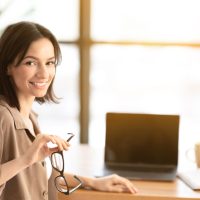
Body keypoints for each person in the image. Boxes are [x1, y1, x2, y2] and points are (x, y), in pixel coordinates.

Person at [0, 21, 137, 200]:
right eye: (31, 62)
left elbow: (41, 175)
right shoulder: (3, 117)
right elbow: (24, 164)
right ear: (8, 66)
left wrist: (94, 182)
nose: (44, 73)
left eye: (50, 63)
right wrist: (26, 159)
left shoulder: (29, 116)